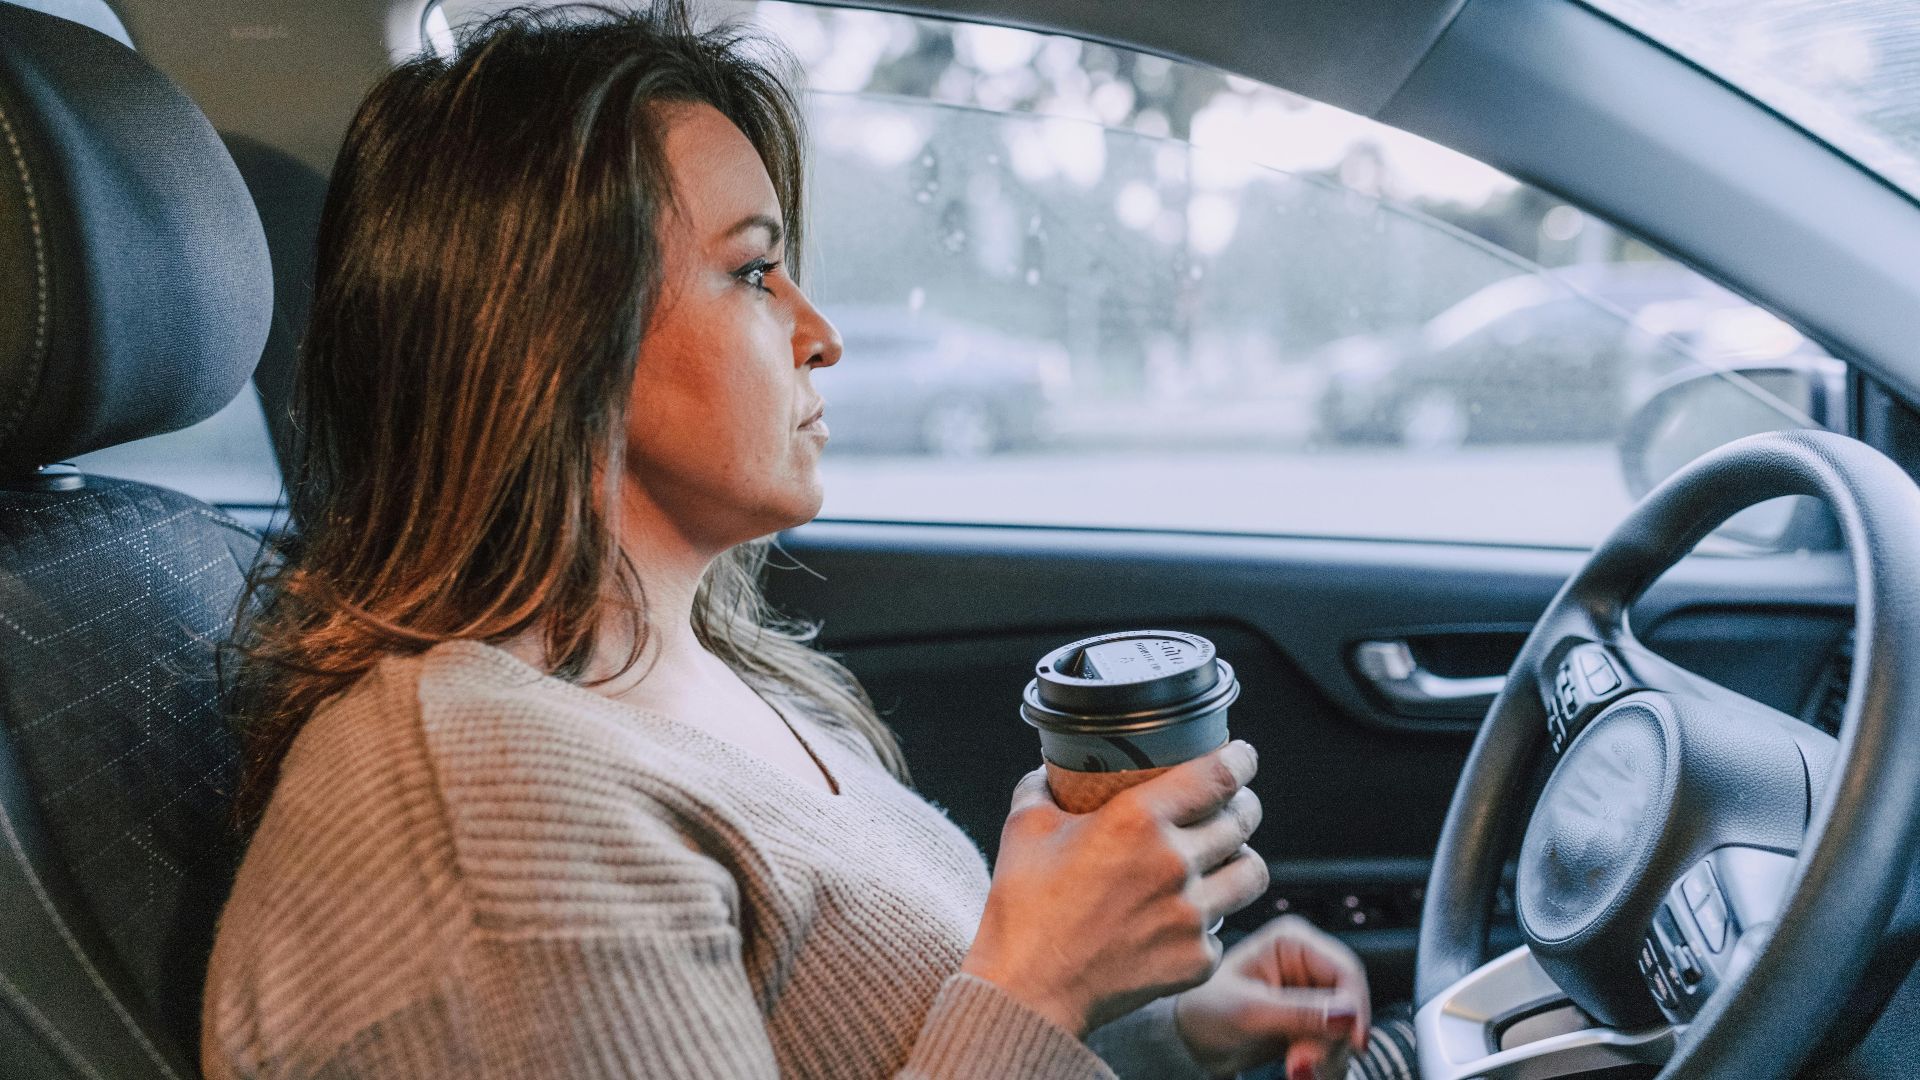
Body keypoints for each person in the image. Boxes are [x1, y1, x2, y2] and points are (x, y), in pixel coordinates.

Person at [201, 5, 1411, 1078]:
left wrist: (1165, 1028)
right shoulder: (484, 833)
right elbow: (991, 1017)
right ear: (551, 337)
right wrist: (1045, 985)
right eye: (754, 271)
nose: (821, 332)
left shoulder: (710, 672)